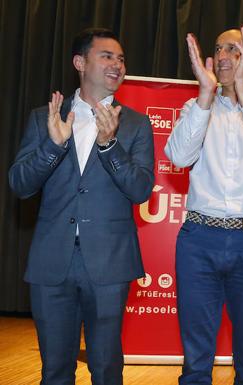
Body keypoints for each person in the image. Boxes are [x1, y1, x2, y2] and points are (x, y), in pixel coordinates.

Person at [8, 28, 155, 385]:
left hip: (109, 264)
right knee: (55, 370)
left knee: (106, 370)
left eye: (121, 59)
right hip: (51, 261)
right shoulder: (46, 118)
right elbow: (20, 184)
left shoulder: (135, 124)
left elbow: (140, 190)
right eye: (107, 56)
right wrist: (52, 146)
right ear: (80, 62)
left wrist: (109, 147)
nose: (117, 65)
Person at [164, 24, 243, 385]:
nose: (222, 56)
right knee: (196, 358)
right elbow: (179, 156)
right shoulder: (195, 106)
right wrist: (205, 95)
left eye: (234, 49)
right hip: (199, 239)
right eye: (218, 48)